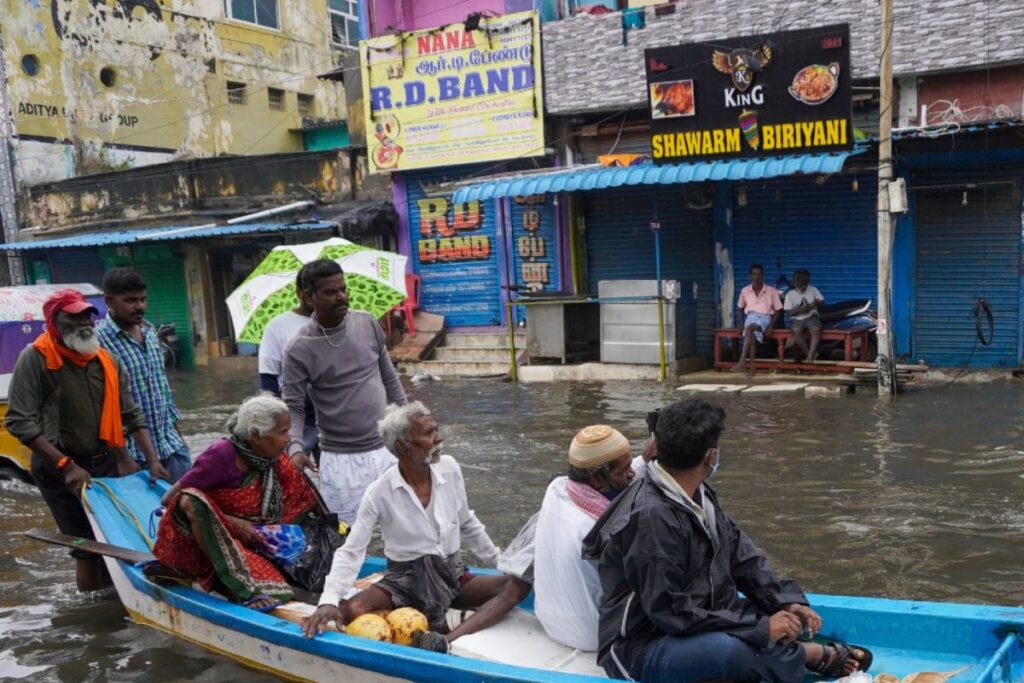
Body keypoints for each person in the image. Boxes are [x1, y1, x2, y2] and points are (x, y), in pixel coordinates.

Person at [582, 399, 873, 682]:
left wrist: (784, 602)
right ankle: (805, 655)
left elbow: (741, 554)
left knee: (761, 616)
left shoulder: (699, 493)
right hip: (643, 643)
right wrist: (760, 630)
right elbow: (669, 612)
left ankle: (774, 653)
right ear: (710, 456)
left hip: (696, 616)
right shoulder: (650, 518)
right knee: (727, 652)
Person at [301, 402, 529, 653]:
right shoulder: (379, 492)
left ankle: (446, 640)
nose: (439, 437)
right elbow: (353, 550)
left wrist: (501, 562)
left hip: (452, 575)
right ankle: (430, 623)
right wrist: (329, 600)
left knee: (517, 583)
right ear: (403, 445)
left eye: (436, 430)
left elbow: (467, 523)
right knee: (353, 609)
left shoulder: (450, 468)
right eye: (429, 433)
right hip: (405, 581)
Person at [5, 289, 168, 591]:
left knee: (116, 538)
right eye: (74, 317)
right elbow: (19, 421)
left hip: (103, 462)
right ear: (54, 322)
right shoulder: (35, 358)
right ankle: (91, 620)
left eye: (87, 316)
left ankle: (117, 608)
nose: (84, 324)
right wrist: (66, 466)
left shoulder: (106, 359)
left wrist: (150, 460)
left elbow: (130, 414)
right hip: (58, 467)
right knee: (86, 547)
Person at [151, 395, 327, 612]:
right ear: (256, 435)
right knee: (192, 500)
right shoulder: (222, 454)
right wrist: (233, 523)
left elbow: (301, 498)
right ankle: (240, 589)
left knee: (312, 570)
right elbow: (171, 499)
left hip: (249, 540)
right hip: (208, 541)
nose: (288, 439)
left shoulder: (272, 458)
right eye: (282, 432)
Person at [280, 259, 407, 524]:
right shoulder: (299, 348)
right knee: (347, 538)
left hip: (386, 450)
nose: (341, 297)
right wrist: (295, 447)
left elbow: (389, 378)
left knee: (406, 527)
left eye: (343, 289)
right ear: (308, 296)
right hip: (340, 462)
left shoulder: (367, 324)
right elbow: (292, 407)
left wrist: (408, 423)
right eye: (330, 292)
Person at [531, 425, 642, 652]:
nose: (632, 473)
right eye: (625, 469)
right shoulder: (597, 531)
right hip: (593, 636)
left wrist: (644, 461)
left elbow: (622, 480)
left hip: (549, 620)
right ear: (597, 480)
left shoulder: (557, 489)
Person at [96, 268, 191, 481]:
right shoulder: (98, 342)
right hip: (133, 456)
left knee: (188, 510)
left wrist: (181, 440)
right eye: (130, 300)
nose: (139, 306)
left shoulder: (149, 332)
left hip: (172, 448)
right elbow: (100, 407)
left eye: (142, 299)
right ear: (109, 301)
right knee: (146, 515)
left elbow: (163, 392)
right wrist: (121, 457)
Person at [257, 269, 318, 457]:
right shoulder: (278, 326)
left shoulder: (337, 324)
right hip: (294, 413)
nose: (315, 297)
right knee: (289, 471)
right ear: (299, 293)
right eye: (310, 292)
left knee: (333, 474)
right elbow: (268, 376)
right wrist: (275, 422)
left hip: (332, 413)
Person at [734, 262, 783, 375]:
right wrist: (740, 324)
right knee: (750, 337)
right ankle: (752, 369)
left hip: (765, 317)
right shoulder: (745, 291)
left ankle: (742, 362)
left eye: (760, 274)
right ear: (750, 276)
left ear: (763, 276)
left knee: (750, 329)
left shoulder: (771, 291)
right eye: (754, 274)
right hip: (750, 316)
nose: (757, 277)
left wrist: (771, 326)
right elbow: (740, 308)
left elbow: (778, 310)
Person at [784, 268, 825, 362]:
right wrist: (801, 309)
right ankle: (809, 354)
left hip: (811, 316)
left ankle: (810, 357)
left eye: (805, 283)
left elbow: (822, 302)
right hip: (797, 319)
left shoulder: (813, 289)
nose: (803, 286)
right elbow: (788, 313)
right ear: (795, 282)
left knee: (816, 329)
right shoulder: (790, 294)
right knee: (796, 330)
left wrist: (817, 303)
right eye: (801, 283)